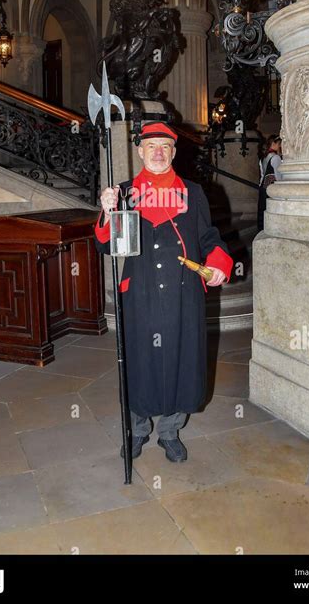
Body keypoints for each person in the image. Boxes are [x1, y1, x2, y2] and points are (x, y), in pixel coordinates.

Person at [94, 121, 233, 463]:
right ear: (139, 151)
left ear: (173, 152)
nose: (158, 152)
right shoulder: (123, 192)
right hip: (140, 294)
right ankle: (138, 430)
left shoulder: (193, 192)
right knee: (140, 362)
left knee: (181, 359)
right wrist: (107, 210)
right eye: (151, 146)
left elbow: (209, 238)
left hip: (183, 294)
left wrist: (218, 264)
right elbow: (105, 244)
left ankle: (170, 431)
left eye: (165, 146)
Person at [257, 134, 282, 232]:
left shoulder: (264, 157)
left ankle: (262, 230)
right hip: (272, 187)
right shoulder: (276, 158)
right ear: (273, 144)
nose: (280, 146)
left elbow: (262, 174)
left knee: (263, 210)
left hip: (263, 187)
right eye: (279, 144)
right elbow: (278, 175)